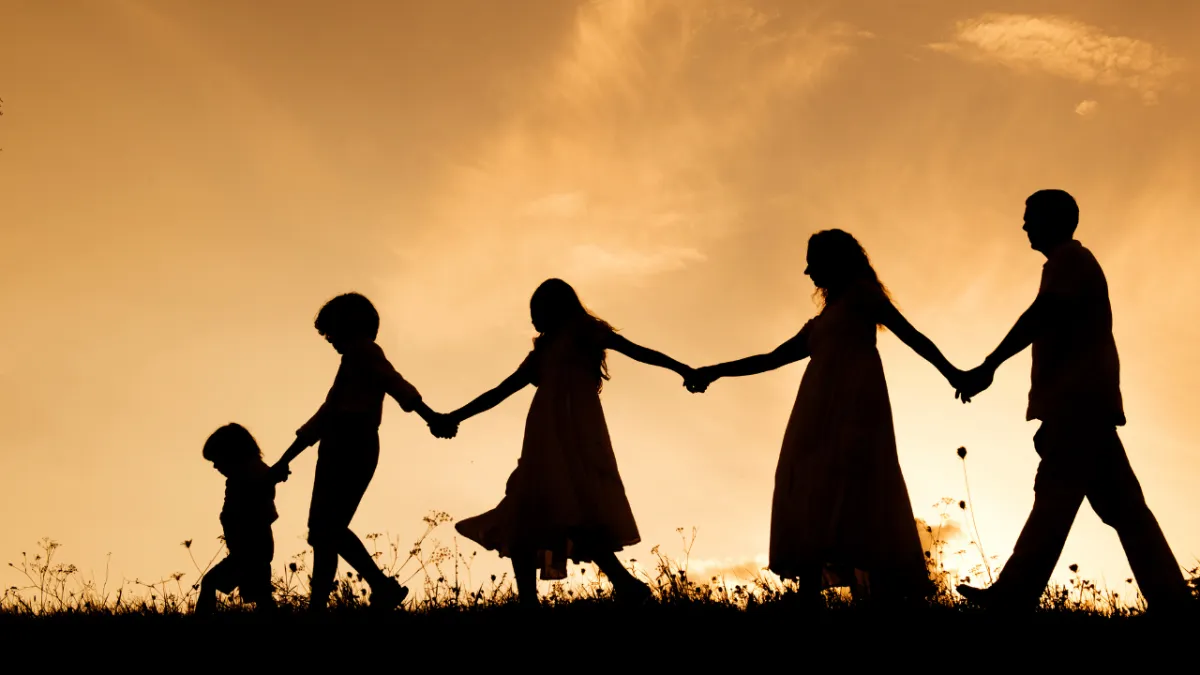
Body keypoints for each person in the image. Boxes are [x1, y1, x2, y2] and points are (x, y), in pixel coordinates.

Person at [685, 229, 954, 606]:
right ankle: (808, 596)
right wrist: (714, 371)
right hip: (813, 417)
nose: (807, 271)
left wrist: (954, 373)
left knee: (857, 492)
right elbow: (770, 358)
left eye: (813, 261)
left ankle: (877, 598)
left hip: (856, 413)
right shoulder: (823, 321)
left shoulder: (863, 297)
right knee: (811, 492)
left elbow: (913, 337)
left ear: (834, 261)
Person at [954, 189, 1191, 614]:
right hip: (1087, 405)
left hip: (1077, 406)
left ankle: (1011, 598)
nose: (1024, 225)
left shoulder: (1069, 262)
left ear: (1052, 219)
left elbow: (1040, 315)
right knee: (1128, 512)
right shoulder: (1071, 264)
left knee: (1055, 499)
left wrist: (989, 364)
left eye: (1030, 216)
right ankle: (1174, 602)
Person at [448, 279, 693, 606]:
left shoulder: (583, 332)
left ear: (554, 308)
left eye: (536, 312)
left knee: (571, 514)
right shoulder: (543, 351)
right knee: (525, 516)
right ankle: (533, 601)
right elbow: (501, 390)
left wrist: (683, 369)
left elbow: (637, 351)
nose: (533, 321)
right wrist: (455, 416)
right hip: (542, 443)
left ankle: (623, 584)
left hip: (576, 440)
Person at [273, 292, 454, 612]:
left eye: (331, 331)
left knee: (326, 529)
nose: (329, 339)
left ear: (348, 325)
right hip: (344, 445)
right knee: (323, 531)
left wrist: (432, 418)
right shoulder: (356, 358)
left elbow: (395, 385)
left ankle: (375, 587)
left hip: (349, 446)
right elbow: (326, 414)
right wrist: (286, 458)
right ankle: (328, 602)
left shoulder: (362, 352)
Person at [197, 423, 286, 616]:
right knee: (261, 594)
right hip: (247, 549)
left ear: (232, 453)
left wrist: (273, 477)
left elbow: (263, 486)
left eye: (217, 459)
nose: (215, 466)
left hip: (251, 548)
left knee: (211, 582)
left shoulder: (251, 473)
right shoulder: (242, 476)